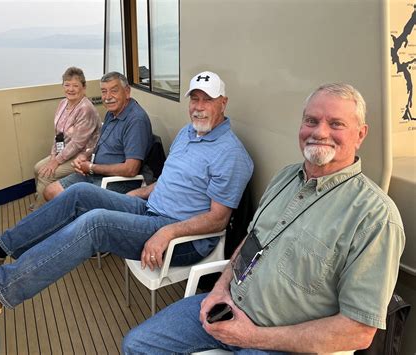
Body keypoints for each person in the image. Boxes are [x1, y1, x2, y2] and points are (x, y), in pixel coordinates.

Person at [122, 83, 406, 354]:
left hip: (279, 344)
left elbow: (357, 331)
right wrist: (220, 290)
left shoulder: (374, 216)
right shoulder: (285, 177)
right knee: (136, 345)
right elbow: (250, 241)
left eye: (336, 124)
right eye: (311, 120)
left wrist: (252, 336)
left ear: (360, 134)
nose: (319, 132)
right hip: (228, 305)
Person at [0, 71, 254, 318]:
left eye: (208, 100)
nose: (198, 106)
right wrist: (141, 193)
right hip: (150, 210)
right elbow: (169, 181)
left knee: (95, 224)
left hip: (182, 237)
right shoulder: (188, 134)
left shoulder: (231, 154)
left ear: (223, 103)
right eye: (195, 99)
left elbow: (217, 220)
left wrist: (167, 232)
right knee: (80, 193)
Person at [43, 71, 154, 202]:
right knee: (50, 191)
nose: (107, 97)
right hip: (95, 172)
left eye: (114, 91)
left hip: (117, 181)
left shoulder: (136, 120)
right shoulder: (111, 113)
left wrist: (91, 168)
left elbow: (131, 169)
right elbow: (100, 143)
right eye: (104, 91)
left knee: (70, 200)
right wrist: (85, 156)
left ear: (127, 92)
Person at [32, 66, 101, 209]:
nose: (70, 89)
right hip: (66, 154)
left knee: (46, 175)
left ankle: (39, 214)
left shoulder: (85, 109)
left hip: (82, 156)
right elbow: (59, 134)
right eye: (67, 85)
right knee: (38, 168)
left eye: (75, 85)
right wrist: (53, 157)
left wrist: (56, 162)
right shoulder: (63, 103)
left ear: (84, 87)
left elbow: (77, 144)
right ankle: (45, 202)